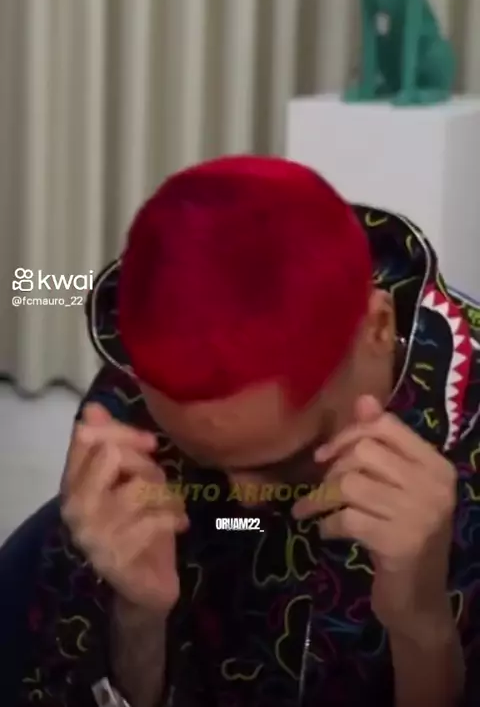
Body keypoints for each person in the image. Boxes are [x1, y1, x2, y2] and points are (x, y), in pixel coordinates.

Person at [15, 155, 480, 707]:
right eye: (203, 460)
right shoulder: (133, 403)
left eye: (285, 461)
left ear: (378, 328)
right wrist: (137, 620)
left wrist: (422, 628)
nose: (245, 499)